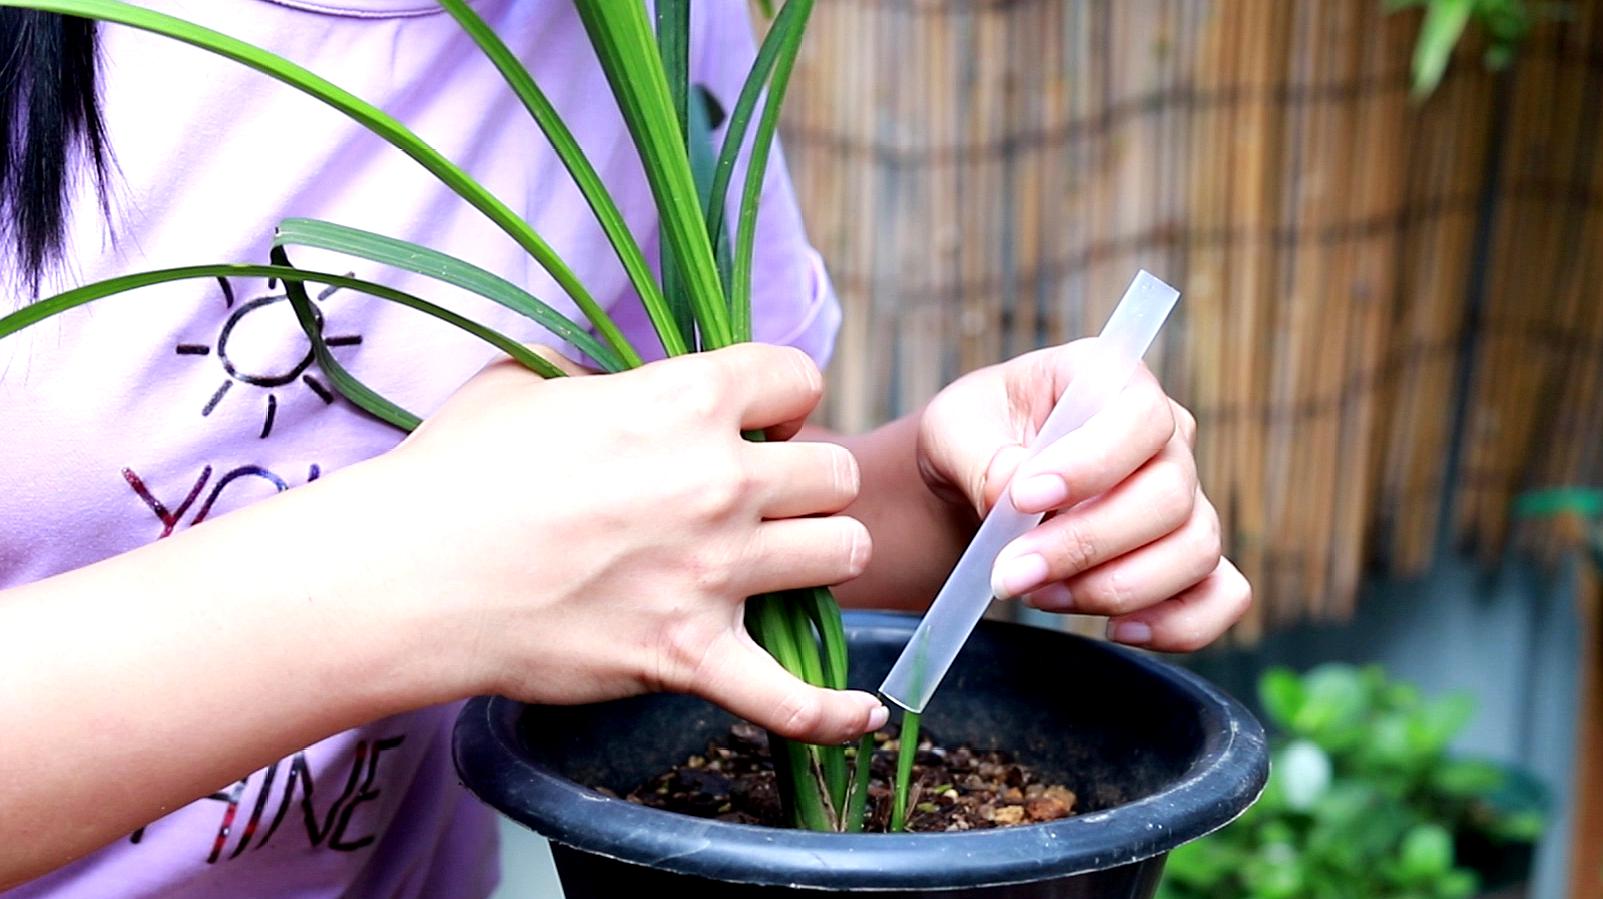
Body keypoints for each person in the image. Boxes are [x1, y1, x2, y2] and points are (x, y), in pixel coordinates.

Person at [0, 1, 1250, 895]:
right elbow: (509, 557)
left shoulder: (652, 30)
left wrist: (953, 501)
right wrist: (417, 572)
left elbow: (668, 556)